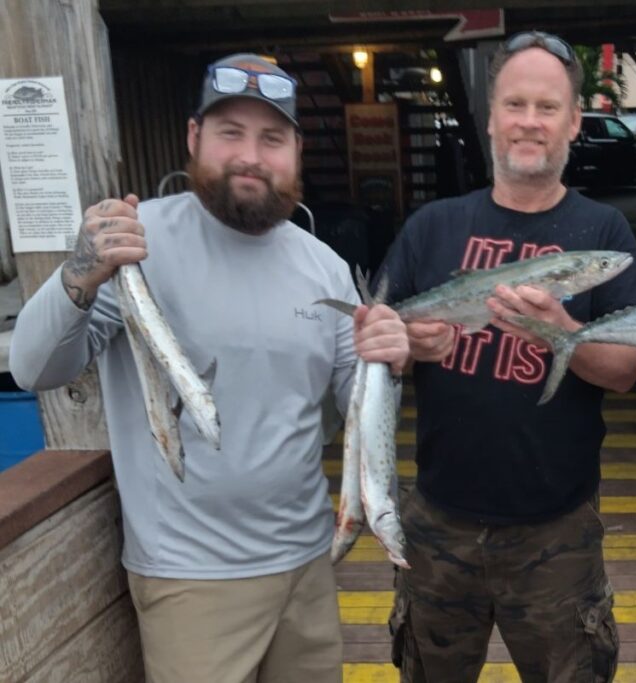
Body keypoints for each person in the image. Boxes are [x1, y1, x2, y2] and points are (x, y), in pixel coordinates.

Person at [9, 53, 408, 683]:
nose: (251, 155)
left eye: (271, 138)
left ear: (296, 151)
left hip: (307, 564)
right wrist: (79, 272)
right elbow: (35, 368)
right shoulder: (137, 244)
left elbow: (352, 402)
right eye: (230, 133)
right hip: (188, 577)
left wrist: (388, 356)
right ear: (194, 137)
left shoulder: (326, 266)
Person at [376, 31, 636, 683]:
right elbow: (375, 344)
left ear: (575, 121)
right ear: (492, 117)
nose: (530, 121)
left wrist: (562, 330)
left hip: (558, 531)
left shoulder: (603, 232)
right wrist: (407, 347)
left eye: (548, 107)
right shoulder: (431, 226)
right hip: (437, 523)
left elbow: (626, 370)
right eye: (516, 104)